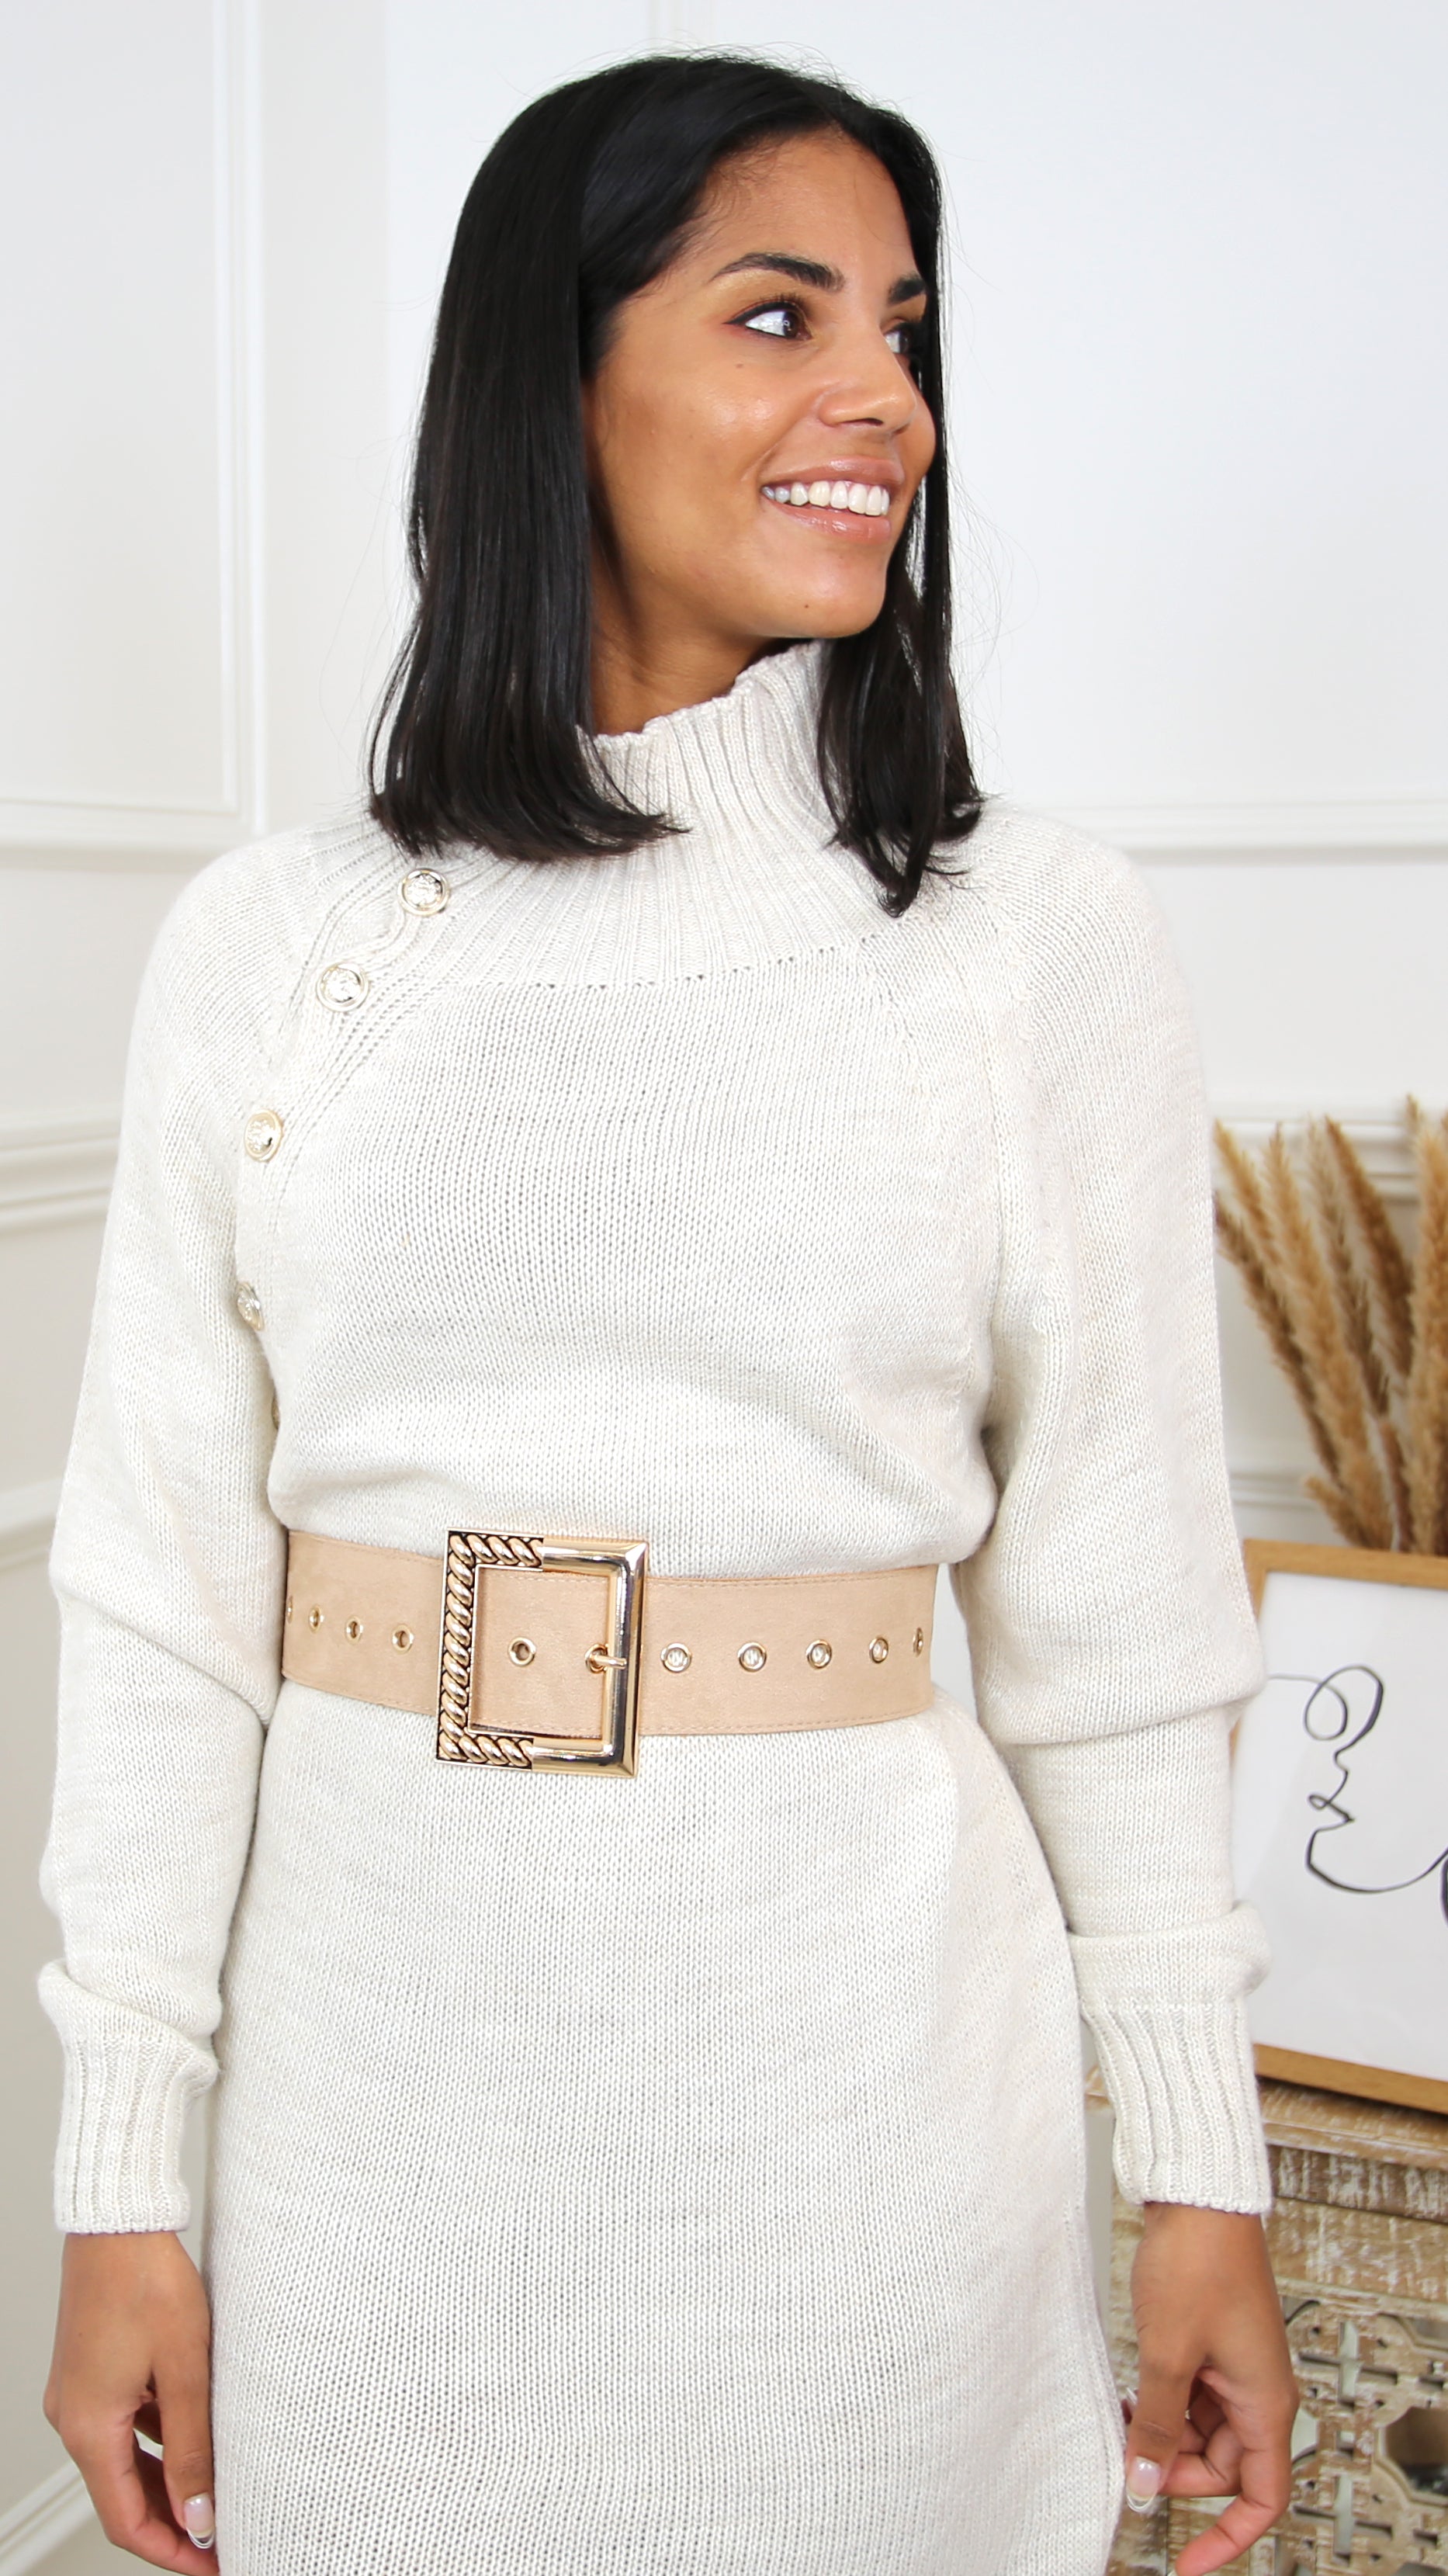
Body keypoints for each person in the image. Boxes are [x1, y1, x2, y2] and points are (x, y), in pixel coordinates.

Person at [38, 52, 1297, 2576]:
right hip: (385, 2128)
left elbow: (1120, 1614)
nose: (886, 403)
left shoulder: (1031, 944)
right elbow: (164, 1604)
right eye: (777, 314)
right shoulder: (275, 946)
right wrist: (118, 2184)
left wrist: (1198, 2174)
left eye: (904, 330)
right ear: (554, 373)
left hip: (862, 2123)